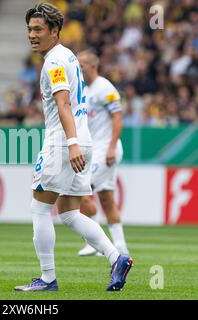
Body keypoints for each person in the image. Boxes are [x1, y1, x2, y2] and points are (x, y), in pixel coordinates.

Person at [14, 3, 132, 292]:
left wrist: (71, 143)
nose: (32, 34)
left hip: (64, 142)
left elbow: (63, 102)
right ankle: (117, 257)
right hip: (83, 140)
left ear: (55, 31)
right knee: (68, 212)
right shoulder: (67, 55)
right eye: (30, 29)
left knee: (39, 209)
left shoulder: (54, 61)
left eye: (39, 29)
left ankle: (47, 278)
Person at [76, 49, 129, 257]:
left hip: (106, 148)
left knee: (80, 189)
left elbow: (117, 118)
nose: (78, 70)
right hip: (95, 149)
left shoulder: (105, 88)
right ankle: (121, 246)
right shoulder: (84, 90)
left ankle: (94, 240)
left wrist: (111, 147)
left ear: (93, 66)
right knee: (106, 199)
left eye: (81, 66)